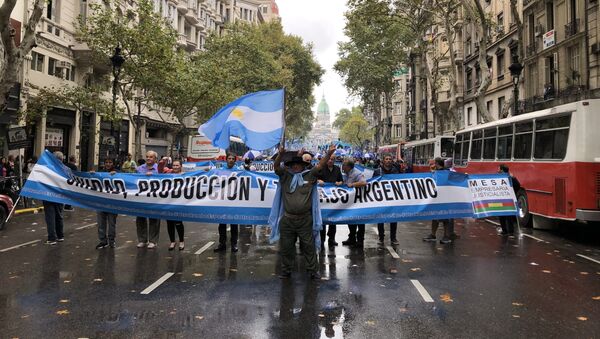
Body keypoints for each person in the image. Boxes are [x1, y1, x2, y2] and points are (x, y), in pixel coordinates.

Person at [273, 143, 336, 280]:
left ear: (303, 166)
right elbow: (276, 167)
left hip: (305, 220)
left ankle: (313, 270)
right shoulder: (285, 176)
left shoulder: (310, 176)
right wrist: (280, 154)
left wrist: (329, 153)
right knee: (287, 247)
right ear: (290, 166)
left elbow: (320, 165)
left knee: (308, 246)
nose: (296, 166)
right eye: (293, 165)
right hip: (288, 220)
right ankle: (286, 270)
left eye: (298, 164)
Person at [423, 157, 455, 244]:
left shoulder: (445, 173)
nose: (431, 165)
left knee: (445, 218)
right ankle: (434, 235)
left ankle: (446, 236)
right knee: (435, 217)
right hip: (437, 197)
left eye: (432, 164)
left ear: (436, 164)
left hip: (444, 198)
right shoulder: (437, 172)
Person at [214, 153, 240, 253]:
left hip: (234, 201)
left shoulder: (239, 170)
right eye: (229, 158)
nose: (230, 160)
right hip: (223, 200)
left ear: (235, 160)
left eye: (232, 159)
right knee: (222, 224)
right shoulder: (221, 170)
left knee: (234, 224)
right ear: (226, 159)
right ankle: (222, 244)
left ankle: (234, 244)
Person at [136, 151, 161, 249]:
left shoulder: (159, 169)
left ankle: (153, 241)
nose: (148, 158)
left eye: (151, 157)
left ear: (155, 159)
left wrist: (155, 176)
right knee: (140, 219)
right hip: (141, 198)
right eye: (147, 157)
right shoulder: (139, 169)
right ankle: (142, 240)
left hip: (154, 198)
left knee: (154, 219)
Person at [92, 158, 119, 249]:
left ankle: (112, 241)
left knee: (112, 223)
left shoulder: (118, 173)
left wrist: (116, 175)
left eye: (110, 162)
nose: (108, 164)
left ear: (113, 163)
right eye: (106, 162)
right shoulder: (100, 172)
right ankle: (103, 241)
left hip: (113, 203)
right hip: (101, 202)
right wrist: (91, 175)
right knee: (101, 223)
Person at [317, 155, 343, 249]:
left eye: (332, 159)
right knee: (323, 220)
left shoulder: (337, 169)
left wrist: (340, 183)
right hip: (323, 198)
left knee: (333, 220)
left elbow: (341, 180)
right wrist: (319, 180)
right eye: (329, 159)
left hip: (334, 198)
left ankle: (332, 239)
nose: (330, 161)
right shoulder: (321, 168)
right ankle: (322, 240)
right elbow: (314, 178)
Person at [374, 154, 400, 246]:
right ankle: (381, 237)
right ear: (383, 161)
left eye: (390, 159)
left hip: (393, 198)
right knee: (380, 219)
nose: (388, 160)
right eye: (386, 159)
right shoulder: (377, 171)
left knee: (393, 218)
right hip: (381, 199)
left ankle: (393, 238)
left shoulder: (396, 171)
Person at [341, 159, 367, 247]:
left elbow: (363, 182)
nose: (342, 166)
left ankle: (360, 240)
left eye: (343, 165)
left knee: (360, 220)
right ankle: (352, 238)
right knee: (351, 220)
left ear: (348, 167)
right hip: (350, 202)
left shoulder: (357, 173)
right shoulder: (346, 173)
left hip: (359, 201)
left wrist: (353, 184)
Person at [43, 151, 66, 245]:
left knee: (50, 217)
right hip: (60, 196)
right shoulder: (65, 169)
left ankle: (52, 237)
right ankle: (60, 235)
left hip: (49, 195)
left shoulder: (49, 168)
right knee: (59, 216)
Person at [498, 164, 521, 236]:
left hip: (506, 200)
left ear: (502, 170)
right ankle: (507, 231)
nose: (497, 170)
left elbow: (517, 185)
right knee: (505, 216)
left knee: (506, 216)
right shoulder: (500, 177)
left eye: (498, 169)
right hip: (506, 199)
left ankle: (507, 231)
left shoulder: (510, 177)